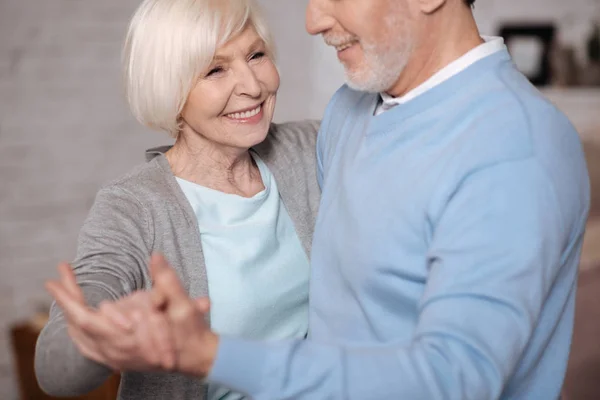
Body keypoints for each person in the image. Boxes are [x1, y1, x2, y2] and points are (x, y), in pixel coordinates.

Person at [48, 0, 591, 399]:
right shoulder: (349, 115)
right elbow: (61, 359)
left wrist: (211, 353)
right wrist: (106, 333)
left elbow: (453, 377)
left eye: (256, 55)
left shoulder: (512, 147)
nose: (312, 20)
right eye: (214, 68)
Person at [34, 0, 320, 399]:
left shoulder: (307, 149)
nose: (253, 86)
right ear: (171, 87)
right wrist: (99, 340)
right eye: (215, 70)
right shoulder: (134, 205)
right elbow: (56, 370)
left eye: (256, 55)